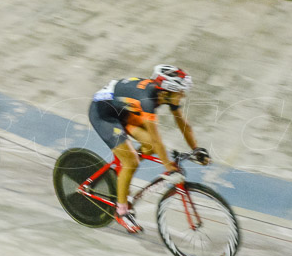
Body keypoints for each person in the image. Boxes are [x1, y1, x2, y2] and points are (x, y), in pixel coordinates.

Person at [88, 66, 210, 233]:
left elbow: (183, 125)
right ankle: (121, 211)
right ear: (167, 91)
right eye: (181, 91)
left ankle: (123, 171)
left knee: (149, 148)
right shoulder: (147, 101)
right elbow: (156, 137)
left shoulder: (165, 96)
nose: (183, 95)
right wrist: (168, 167)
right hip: (103, 114)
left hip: (123, 109)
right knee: (131, 161)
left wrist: (196, 148)